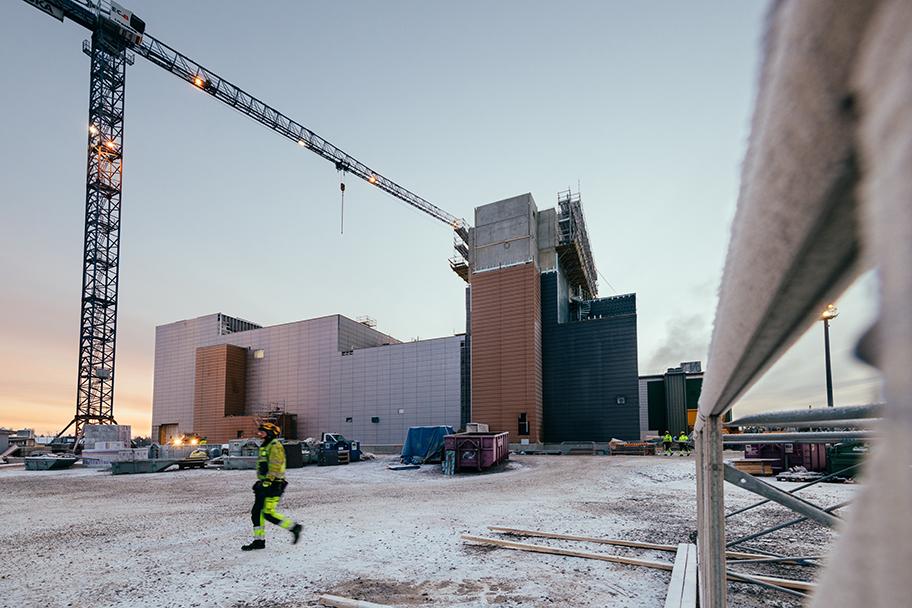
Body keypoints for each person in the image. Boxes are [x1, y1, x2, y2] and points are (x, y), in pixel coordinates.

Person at [241, 422, 302, 551]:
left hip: (274, 484)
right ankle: (259, 541)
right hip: (264, 484)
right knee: (256, 513)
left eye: (262, 431)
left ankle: (294, 527)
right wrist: (261, 481)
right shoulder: (265, 445)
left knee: (268, 513)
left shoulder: (275, 445)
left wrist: (268, 481)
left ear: (270, 433)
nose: (259, 433)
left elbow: (275, 465)